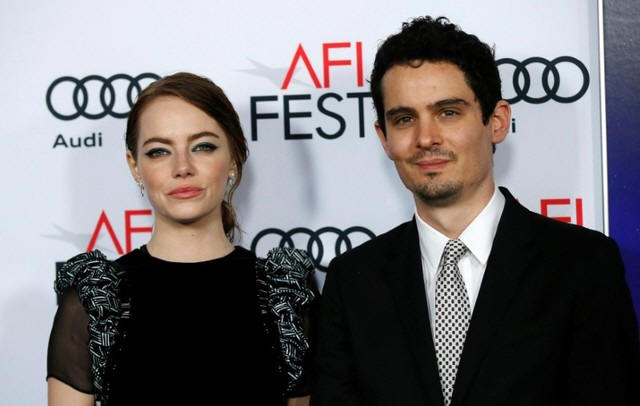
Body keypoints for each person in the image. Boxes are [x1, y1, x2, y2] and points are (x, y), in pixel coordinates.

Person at [313, 16, 640, 406]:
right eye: (404, 119)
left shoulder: (582, 265)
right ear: (384, 138)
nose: (426, 139)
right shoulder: (352, 282)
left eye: (448, 112)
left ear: (497, 122)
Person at [47, 72, 315, 406]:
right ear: (135, 166)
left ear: (233, 157)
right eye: (159, 151)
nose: (182, 167)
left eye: (203, 146)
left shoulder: (284, 294)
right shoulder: (97, 299)